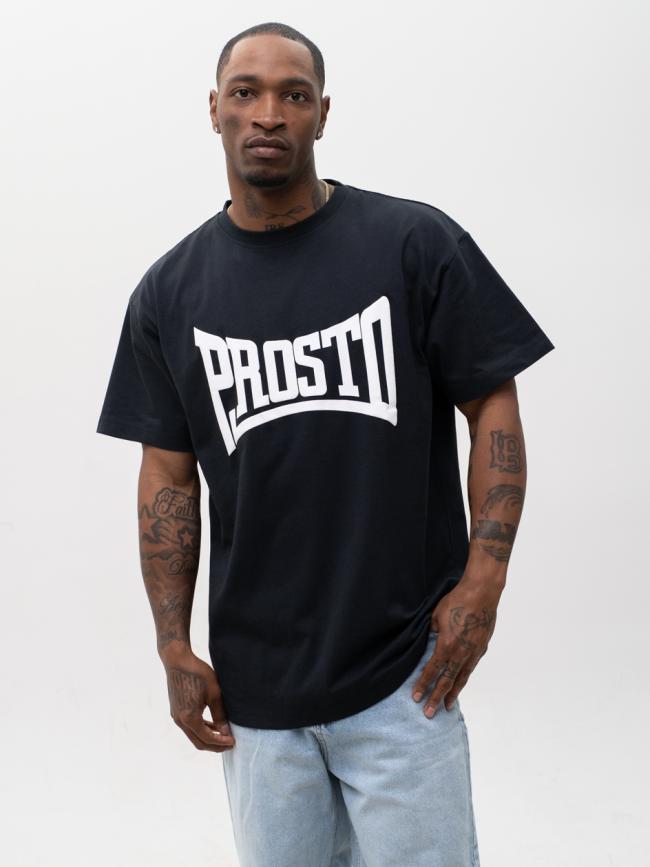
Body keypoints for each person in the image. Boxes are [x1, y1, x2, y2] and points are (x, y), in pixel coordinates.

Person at [96, 20, 555, 867]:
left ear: (322, 113)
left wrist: (484, 580)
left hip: (404, 677)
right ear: (214, 109)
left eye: (293, 95)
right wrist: (171, 643)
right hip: (255, 695)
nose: (269, 114)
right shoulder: (169, 293)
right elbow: (167, 474)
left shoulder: (412, 244)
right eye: (247, 93)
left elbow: (492, 397)